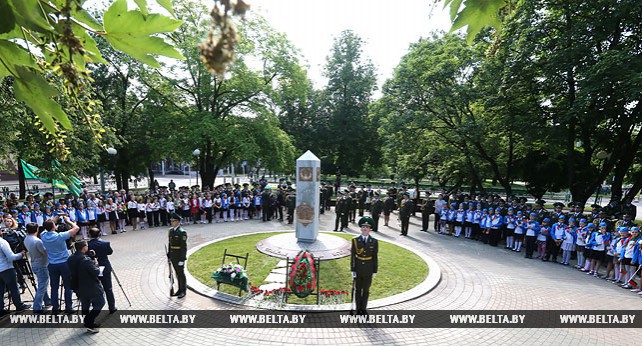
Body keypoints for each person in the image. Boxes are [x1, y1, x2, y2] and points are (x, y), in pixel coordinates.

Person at [41, 214, 79, 314]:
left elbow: (47, 226)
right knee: (67, 286)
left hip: (52, 264)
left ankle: (55, 308)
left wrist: (56, 217)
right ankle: (68, 307)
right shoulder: (60, 236)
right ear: (54, 226)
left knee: (54, 287)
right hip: (64, 263)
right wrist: (68, 221)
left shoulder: (43, 235)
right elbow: (76, 228)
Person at [68, 241, 104, 333]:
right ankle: (89, 322)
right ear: (84, 247)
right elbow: (96, 272)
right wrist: (95, 263)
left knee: (85, 305)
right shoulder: (86, 260)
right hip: (91, 286)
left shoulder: (70, 258)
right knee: (100, 303)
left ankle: (87, 321)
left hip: (78, 286)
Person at [350, 216, 378, 316]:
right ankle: (358, 309)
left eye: (367, 227)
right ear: (361, 229)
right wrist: (353, 269)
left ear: (370, 229)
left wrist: (375, 270)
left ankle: (363, 308)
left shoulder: (374, 241)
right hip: (358, 268)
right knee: (358, 290)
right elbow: (353, 256)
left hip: (368, 269)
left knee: (366, 290)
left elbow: (375, 257)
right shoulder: (355, 240)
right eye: (363, 227)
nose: (364, 229)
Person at [0, 231, 31, 316]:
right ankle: (19, 305)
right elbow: (11, 257)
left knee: (0, 290)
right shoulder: (2, 242)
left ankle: (0, 309)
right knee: (14, 288)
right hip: (6, 268)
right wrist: (20, 254)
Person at [23, 222, 52, 313]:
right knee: (42, 286)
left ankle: (47, 301)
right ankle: (37, 307)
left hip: (34, 263)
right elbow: (44, 253)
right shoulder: (37, 241)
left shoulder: (26, 239)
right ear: (37, 229)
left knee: (42, 284)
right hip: (41, 265)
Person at [87, 228, 116, 314]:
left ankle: (95, 306)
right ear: (99, 234)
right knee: (108, 288)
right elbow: (110, 252)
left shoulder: (87, 245)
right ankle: (112, 307)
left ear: (89, 235)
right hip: (105, 266)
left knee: (94, 288)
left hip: (93, 268)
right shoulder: (105, 243)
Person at [167, 212, 188, 298]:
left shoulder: (182, 232)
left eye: (173, 221)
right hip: (173, 256)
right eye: (171, 221)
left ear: (178, 222)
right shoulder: (171, 231)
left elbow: (184, 247)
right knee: (176, 273)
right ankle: (179, 289)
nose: (171, 222)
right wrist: (169, 254)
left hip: (179, 256)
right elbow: (170, 243)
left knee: (181, 273)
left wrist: (182, 259)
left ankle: (183, 290)